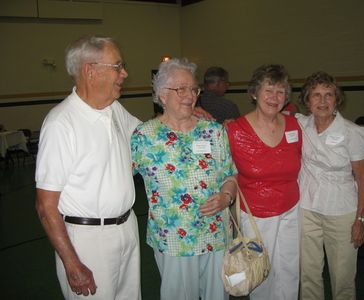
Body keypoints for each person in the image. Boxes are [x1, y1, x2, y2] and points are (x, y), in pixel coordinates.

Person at [35, 36, 141, 300]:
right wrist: (72, 263)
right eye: (118, 66)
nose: (124, 73)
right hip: (88, 241)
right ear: (90, 71)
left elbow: (150, 137)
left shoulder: (114, 109)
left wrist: (183, 116)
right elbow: (46, 207)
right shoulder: (61, 123)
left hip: (127, 228)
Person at [130, 58, 237, 300]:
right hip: (173, 239)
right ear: (161, 95)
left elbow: (230, 174)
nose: (189, 95)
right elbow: (119, 176)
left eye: (193, 89)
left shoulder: (213, 131)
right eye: (180, 89)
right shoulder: (144, 136)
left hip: (215, 234)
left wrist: (226, 197)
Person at [226, 64, 302, 300]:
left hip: (291, 208)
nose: (274, 97)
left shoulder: (293, 125)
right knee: (261, 274)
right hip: (257, 215)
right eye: (268, 90)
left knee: (290, 270)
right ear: (254, 93)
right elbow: (225, 171)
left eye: (280, 92)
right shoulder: (234, 130)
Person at [297, 71, 364, 300]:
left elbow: (363, 179)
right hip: (307, 208)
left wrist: (360, 220)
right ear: (307, 101)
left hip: (342, 211)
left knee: (343, 277)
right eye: (316, 95)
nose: (322, 101)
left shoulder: (353, 132)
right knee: (308, 273)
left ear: (337, 99)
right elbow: (265, 116)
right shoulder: (299, 124)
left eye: (328, 95)